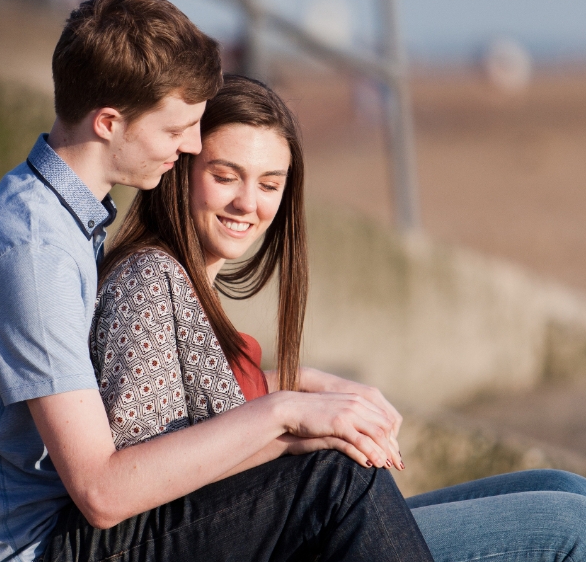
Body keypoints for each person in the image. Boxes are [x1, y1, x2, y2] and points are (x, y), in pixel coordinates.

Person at [0, 0, 433, 562]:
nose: (189, 147)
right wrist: (283, 414)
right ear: (109, 122)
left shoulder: (60, 221)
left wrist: (295, 385)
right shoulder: (36, 255)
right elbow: (103, 490)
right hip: (35, 550)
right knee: (334, 478)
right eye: (177, 128)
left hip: (66, 532)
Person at [88, 73, 586, 562]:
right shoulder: (148, 280)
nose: (248, 203)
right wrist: (291, 424)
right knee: (571, 527)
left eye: (269, 184)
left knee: (561, 485)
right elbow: (144, 476)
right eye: (225, 176)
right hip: (267, 536)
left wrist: (302, 382)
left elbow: (192, 408)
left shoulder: (188, 284)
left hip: (285, 522)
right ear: (180, 171)